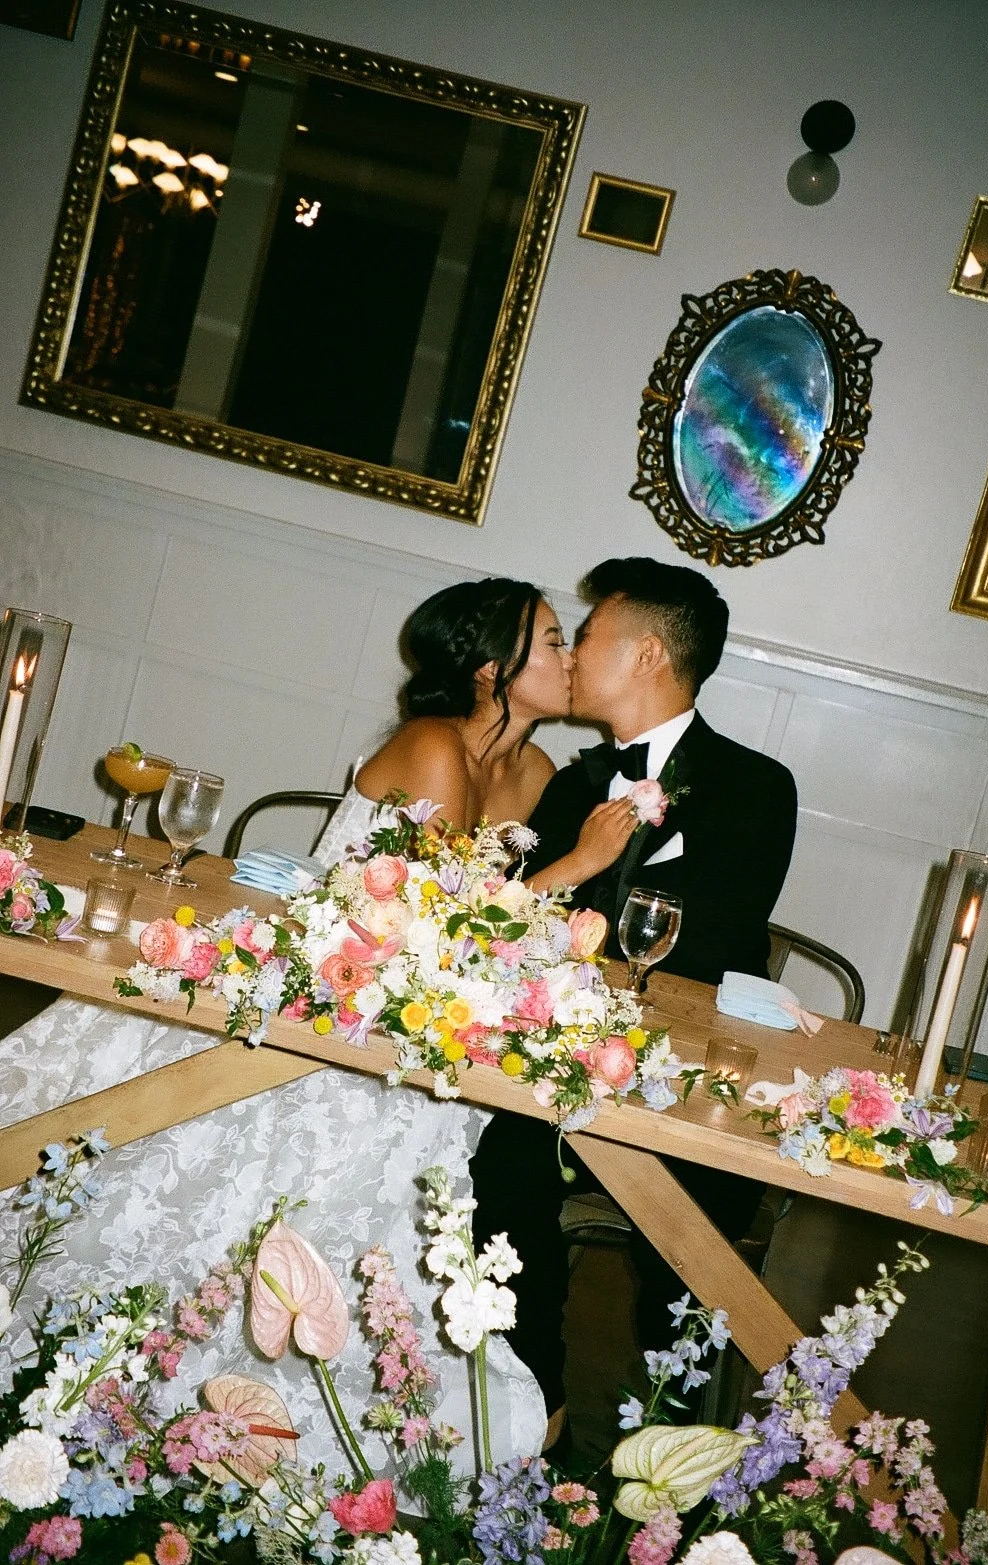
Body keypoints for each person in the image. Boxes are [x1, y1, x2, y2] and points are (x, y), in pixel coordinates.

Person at [0, 574, 574, 1479]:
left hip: (398, 1013)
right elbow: (441, 923)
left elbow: (475, 946)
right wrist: (578, 863)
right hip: (313, 1007)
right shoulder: (431, 745)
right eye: (552, 640)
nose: (569, 657)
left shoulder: (535, 771)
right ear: (489, 669)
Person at [470, 556, 798, 1440]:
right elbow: (512, 925)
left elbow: (715, 942)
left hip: (681, 1081)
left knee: (691, 1241)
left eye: (587, 635)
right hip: (556, 1067)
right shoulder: (570, 784)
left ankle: (667, 1462)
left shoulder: (754, 787)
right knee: (499, 1168)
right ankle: (535, 1417)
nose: (572, 653)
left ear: (648, 653)